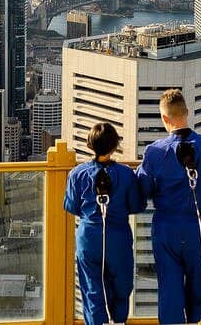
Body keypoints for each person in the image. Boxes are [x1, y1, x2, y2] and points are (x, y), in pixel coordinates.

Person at [136, 88, 201, 324]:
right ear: (187, 112)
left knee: (170, 292)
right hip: (199, 226)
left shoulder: (154, 152)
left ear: (165, 119)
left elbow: (141, 191)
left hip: (166, 228)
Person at [64, 122, 145, 325]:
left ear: (90, 144)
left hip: (89, 237)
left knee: (92, 290)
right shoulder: (127, 174)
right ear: (114, 145)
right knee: (121, 287)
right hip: (118, 238)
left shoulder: (77, 174)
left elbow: (71, 206)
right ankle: (118, 321)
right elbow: (136, 205)